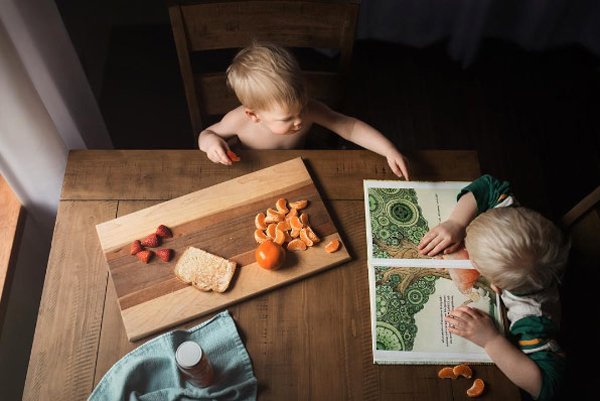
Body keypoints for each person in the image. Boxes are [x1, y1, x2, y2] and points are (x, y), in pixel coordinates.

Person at [418, 175, 570, 401]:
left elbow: (548, 388)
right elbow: (490, 184)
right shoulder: (512, 217)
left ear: (496, 286)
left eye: (473, 257)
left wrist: (491, 341)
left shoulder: (531, 318)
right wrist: (457, 223)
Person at [198, 42, 409, 179]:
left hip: (299, 168)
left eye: (300, 108)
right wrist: (211, 145)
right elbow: (206, 134)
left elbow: (349, 127)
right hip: (250, 172)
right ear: (253, 115)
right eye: (287, 118)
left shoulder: (309, 110)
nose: (299, 120)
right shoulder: (237, 121)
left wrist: (388, 149)